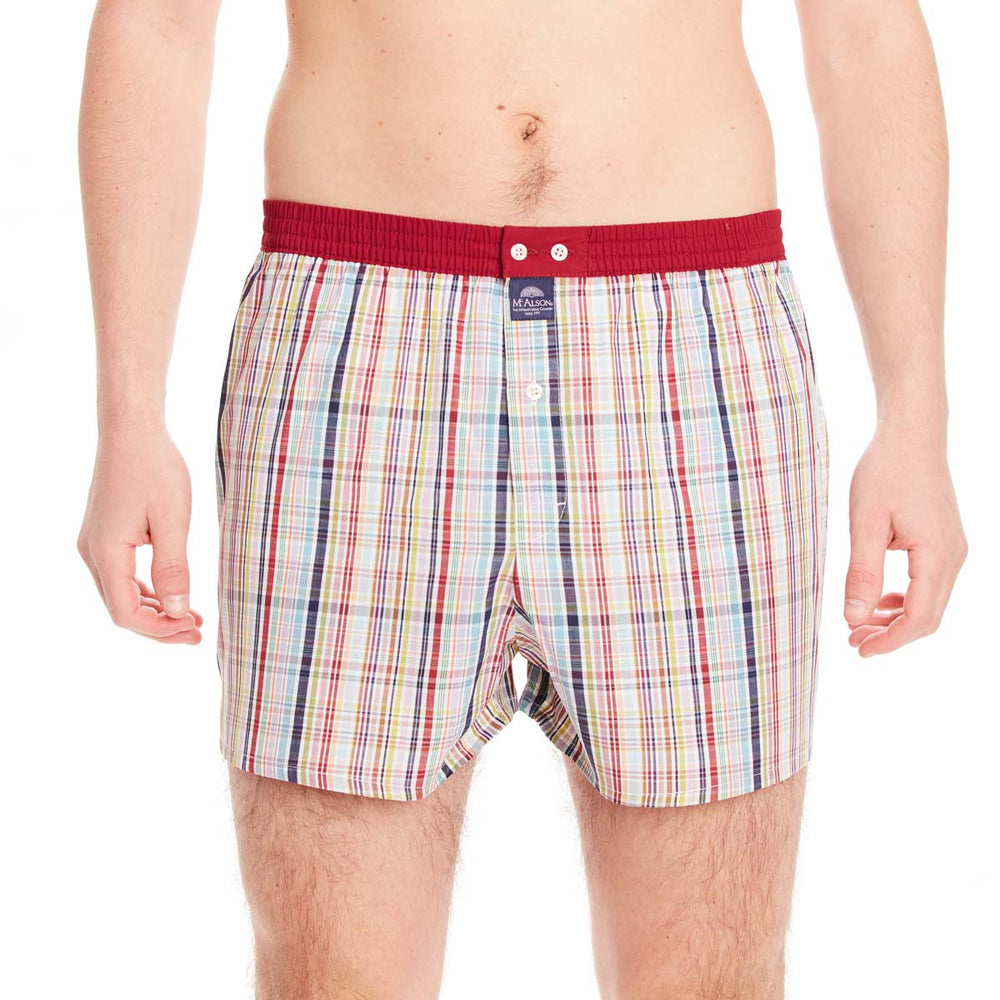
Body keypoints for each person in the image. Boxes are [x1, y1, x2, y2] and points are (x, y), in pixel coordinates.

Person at [75, 1, 967, 996]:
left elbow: (864, 34)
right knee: (332, 977)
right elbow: (158, 22)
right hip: (361, 339)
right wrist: (128, 413)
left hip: (687, 338)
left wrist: (914, 416)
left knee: (709, 974)